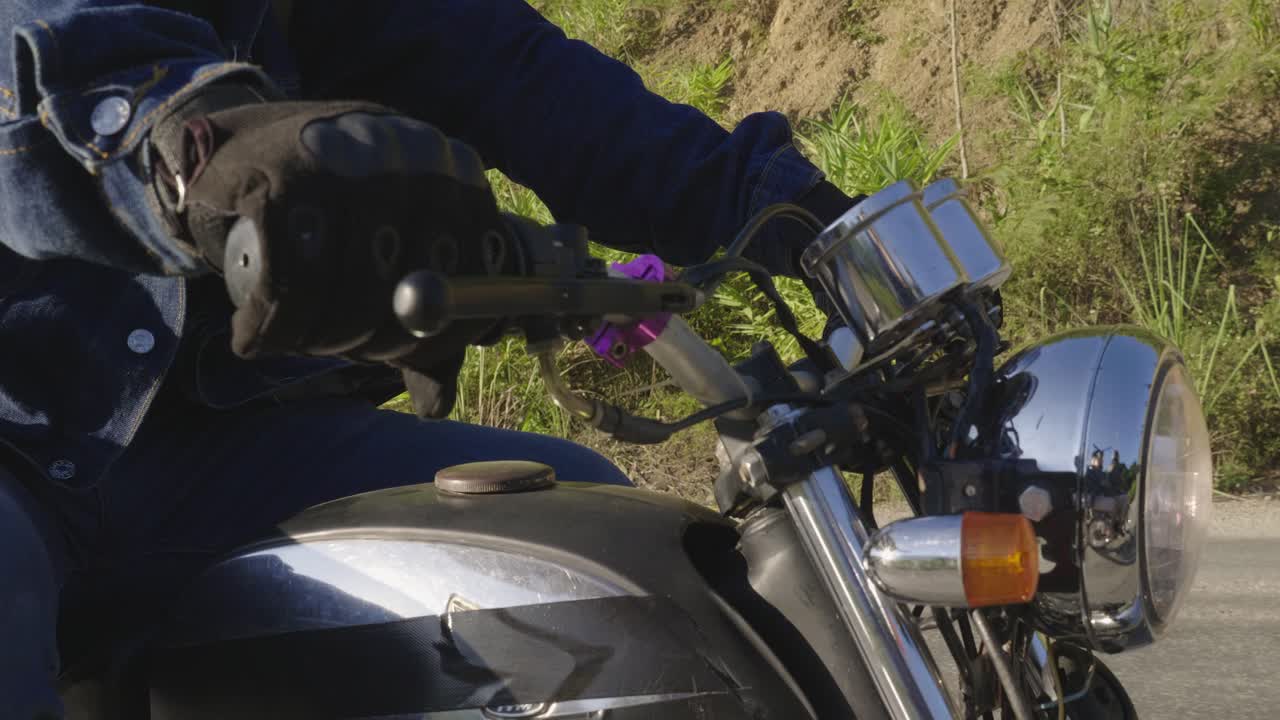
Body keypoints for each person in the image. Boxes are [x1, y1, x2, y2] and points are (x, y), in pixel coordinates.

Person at [0, 1, 856, 716]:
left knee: (585, 563)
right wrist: (203, 152)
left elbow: (519, 75)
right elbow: (56, 56)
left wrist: (815, 222)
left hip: (220, 445)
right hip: (18, 451)